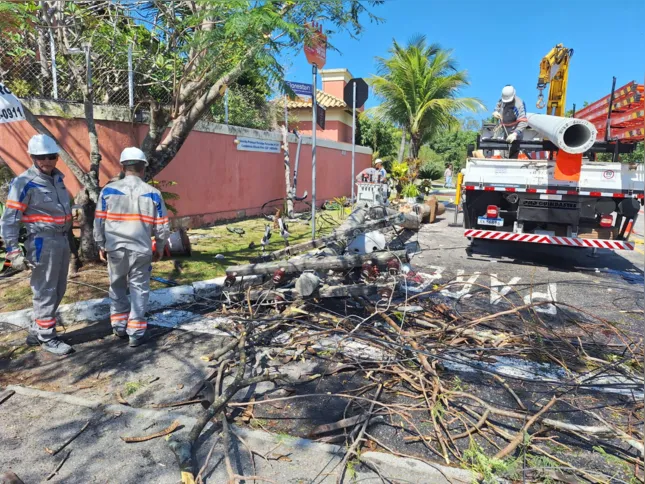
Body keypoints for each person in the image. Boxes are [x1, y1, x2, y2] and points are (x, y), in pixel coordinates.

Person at [0, 134, 73, 355]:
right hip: (42, 242)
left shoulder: (58, 179)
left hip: (61, 239)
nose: (47, 161)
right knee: (46, 289)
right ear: (32, 157)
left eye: (51, 156)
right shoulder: (24, 183)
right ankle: (47, 337)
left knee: (59, 287)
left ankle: (37, 329)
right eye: (42, 157)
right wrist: (13, 252)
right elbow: (10, 219)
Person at [93, 147, 170, 347]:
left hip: (115, 249)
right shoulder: (153, 193)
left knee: (117, 285)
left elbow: (99, 221)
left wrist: (101, 244)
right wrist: (160, 246)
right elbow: (162, 225)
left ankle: (119, 325)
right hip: (141, 249)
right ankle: (135, 331)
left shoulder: (108, 191)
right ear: (143, 167)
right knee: (139, 288)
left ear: (123, 167)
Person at [492, 85, 527, 159]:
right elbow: (497, 107)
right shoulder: (502, 100)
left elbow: (523, 121)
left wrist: (515, 134)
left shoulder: (519, 104)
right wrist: (495, 112)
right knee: (504, 153)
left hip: (515, 132)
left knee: (513, 153)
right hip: (505, 130)